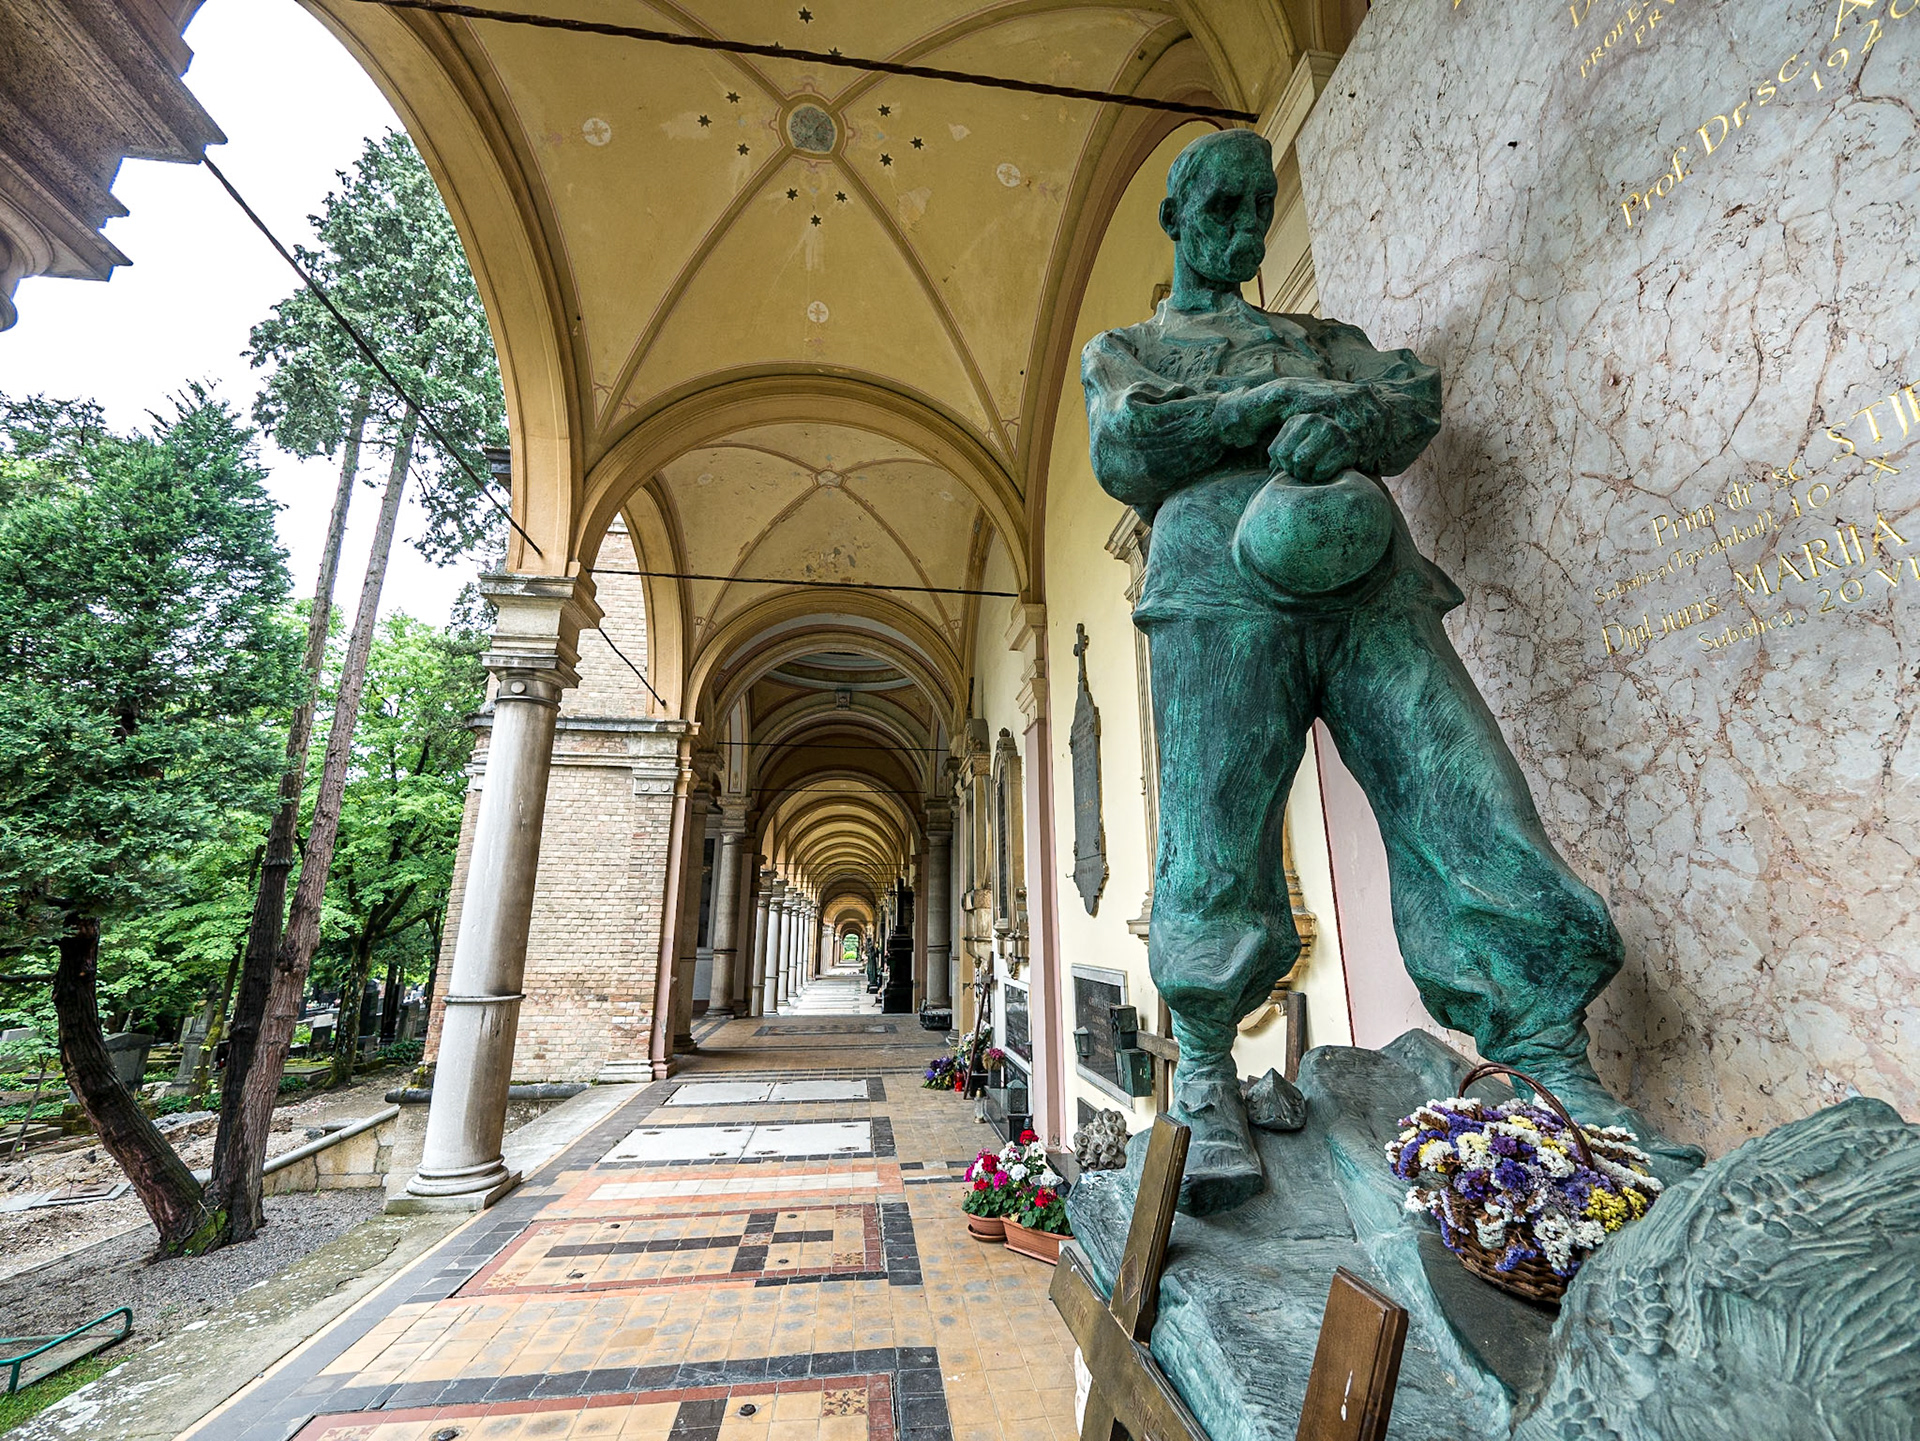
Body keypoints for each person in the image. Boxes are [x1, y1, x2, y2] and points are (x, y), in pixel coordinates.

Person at [1083, 128, 1697, 1214]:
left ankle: (1552, 1058)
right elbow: (1127, 446)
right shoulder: (1130, 352)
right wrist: (1265, 410)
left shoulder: (1323, 338)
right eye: (1219, 208)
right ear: (1175, 220)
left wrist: (1347, 416)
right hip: (1219, 599)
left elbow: (1409, 396)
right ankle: (1211, 1077)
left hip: (1369, 588)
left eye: (1258, 209)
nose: (1241, 229)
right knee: (1214, 831)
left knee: (1465, 796)